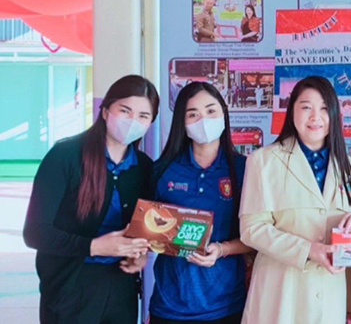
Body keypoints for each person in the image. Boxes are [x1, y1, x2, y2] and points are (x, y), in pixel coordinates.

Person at [23, 75, 159, 324]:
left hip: (121, 285)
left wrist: (140, 254)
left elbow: (144, 228)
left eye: (143, 116)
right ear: (105, 111)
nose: (133, 121)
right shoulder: (65, 156)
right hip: (70, 287)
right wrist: (94, 246)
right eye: (125, 111)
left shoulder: (144, 168)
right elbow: (34, 233)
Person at [239, 76, 351, 323]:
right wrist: (308, 250)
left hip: (328, 295)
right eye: (306, 107)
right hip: (281, 294)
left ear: (334, 115)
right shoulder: (263, 161)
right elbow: (251, 229)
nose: (315, 117)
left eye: (324, 108)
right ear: (292, 112)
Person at [149, 82, 252, 324]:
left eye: (211, 111)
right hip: (170, 305)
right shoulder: (163, 170)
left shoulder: (245, 169)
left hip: (226, 304)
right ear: (182, 123)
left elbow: (256, 236)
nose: (203, 120)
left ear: (224, 116)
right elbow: (146, 228)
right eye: (193, 114)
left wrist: (222, 249)